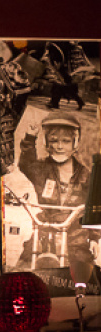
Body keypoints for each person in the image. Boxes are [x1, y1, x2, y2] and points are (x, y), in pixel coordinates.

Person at [16, 109, 99, 268]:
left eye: (66, 141)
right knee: (24, 267)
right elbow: (26, 164)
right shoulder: (42, 169)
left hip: (76, 238)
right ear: (47, 143)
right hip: (45, 233)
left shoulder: (86, 174)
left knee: (85, 273)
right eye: (54, 140)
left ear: (75, 143)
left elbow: (93, 208)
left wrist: (94, 239)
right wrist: (30, 138)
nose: (60, 146)